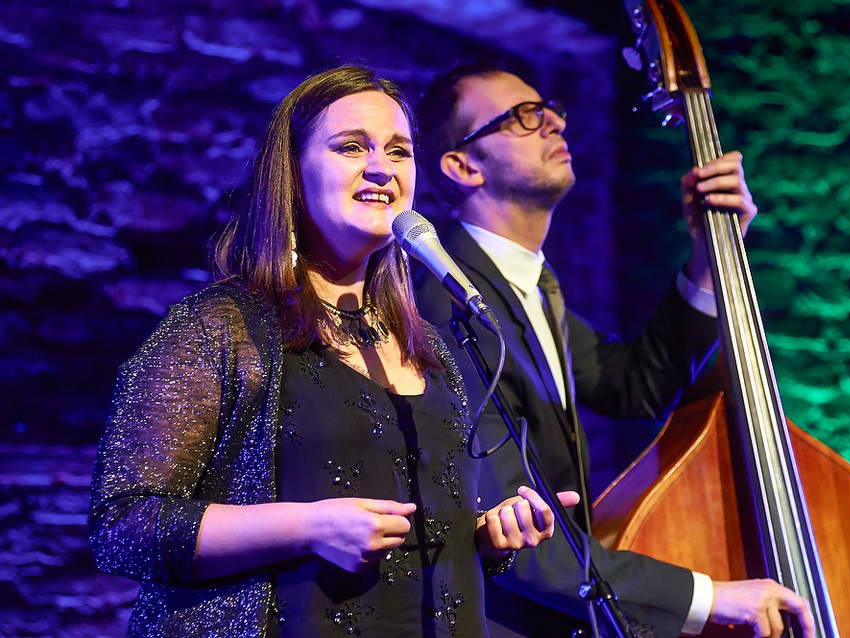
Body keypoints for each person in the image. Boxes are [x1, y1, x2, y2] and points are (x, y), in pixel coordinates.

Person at [88, 65, 579, 638]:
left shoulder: (434, 349)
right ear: (293, 175)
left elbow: (420, 541)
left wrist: (488, 537)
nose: (382, 168)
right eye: (351, 147)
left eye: (399, 152)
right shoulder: (224, 327)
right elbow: (122, 527)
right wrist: (308, 526)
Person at [412, 63, 814, 638]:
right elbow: (513, 539)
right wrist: (708, 597)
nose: (552, 121)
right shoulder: (444, 300)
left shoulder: (528, 287)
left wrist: (709, 253)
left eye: (548, 108)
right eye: (522, 117)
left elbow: (636, 385)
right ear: (463, 165)